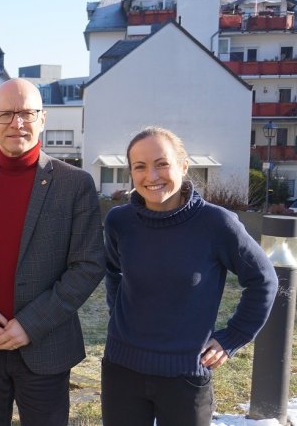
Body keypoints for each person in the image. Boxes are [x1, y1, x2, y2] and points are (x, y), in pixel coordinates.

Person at [0, 78, 106, 425]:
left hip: (45, 348)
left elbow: (88, 265)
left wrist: (31, 324)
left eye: (27, 113)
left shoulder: (75, 184)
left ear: (43, 118)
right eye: (6, 114)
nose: (17, 123)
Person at [101, 127, 277, 426]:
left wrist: (233, 337)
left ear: (183, 166)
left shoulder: (216, 223)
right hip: (122, 368)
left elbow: (263, 281)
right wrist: (121, 317)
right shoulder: (120, 221)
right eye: (140, 167)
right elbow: (113, 271)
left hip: (186, 372)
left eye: (162, 163)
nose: (151, 176)